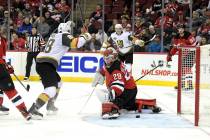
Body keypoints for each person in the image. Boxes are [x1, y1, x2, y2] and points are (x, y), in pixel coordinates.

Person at [28, 21, 91, 119]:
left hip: (44, 63)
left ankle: (50, 105)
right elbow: (76, 44)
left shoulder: (55, 35)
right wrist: (85, 36)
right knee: (51, 89)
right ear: (68, 30)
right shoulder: (64, 35)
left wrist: (82, 35)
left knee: (58, 83)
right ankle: (34, 109)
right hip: (46, 64)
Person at [92, 47, 161, 119]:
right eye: (105, 58)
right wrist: (100, 73)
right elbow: (104, 69)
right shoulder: (111, 64)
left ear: (114, 57)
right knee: (128, 106)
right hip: (130, 89)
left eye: (109, 58)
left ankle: (113, 110)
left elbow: (119, 85)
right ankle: (147, 105)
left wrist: (113, 94)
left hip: (127, 90)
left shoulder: (116, 68)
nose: (107, 60)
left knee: (115, 101)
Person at [0, 26, 31, 121]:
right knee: (10, 91)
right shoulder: (3, 40)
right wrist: (6, 66)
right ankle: (23, 110)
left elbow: (3, 57)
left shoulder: (3, 41)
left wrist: (6, 66)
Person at [166, 23, 199, 90]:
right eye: (179, 28)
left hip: (191, 53)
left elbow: (195, 44)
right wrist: (170, 55)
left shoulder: (188, 35)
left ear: (183, 29)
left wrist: (184, 45)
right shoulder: (176, 37)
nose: (180, 30)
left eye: (181, 28)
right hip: (183, 55)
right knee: (182, 70)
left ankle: (189, 85)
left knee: (187, 68)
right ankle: (182, 84)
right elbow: (175, 47)